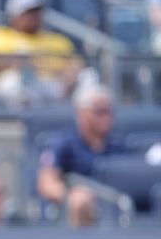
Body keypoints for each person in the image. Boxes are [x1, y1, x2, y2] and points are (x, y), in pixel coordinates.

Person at [37, 84, 126, 227]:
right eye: (99, 111)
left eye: (108, 111)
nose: (106, 117)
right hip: (78, 210)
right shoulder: (63, 143)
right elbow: (46, 184)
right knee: (80, 201)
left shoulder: (118, 145)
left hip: (114, 205)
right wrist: (70, 195)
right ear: (81, 113)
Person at [0, 0, 79, 109]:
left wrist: (68, 76)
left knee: (87, 81)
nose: (34, 16)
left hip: (51, 85)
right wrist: (19, 63)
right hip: (15, 86)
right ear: (14, 15)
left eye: (37, 11)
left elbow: (75, 66)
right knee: (12, 82)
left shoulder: (57, 40)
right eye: (28, 12)